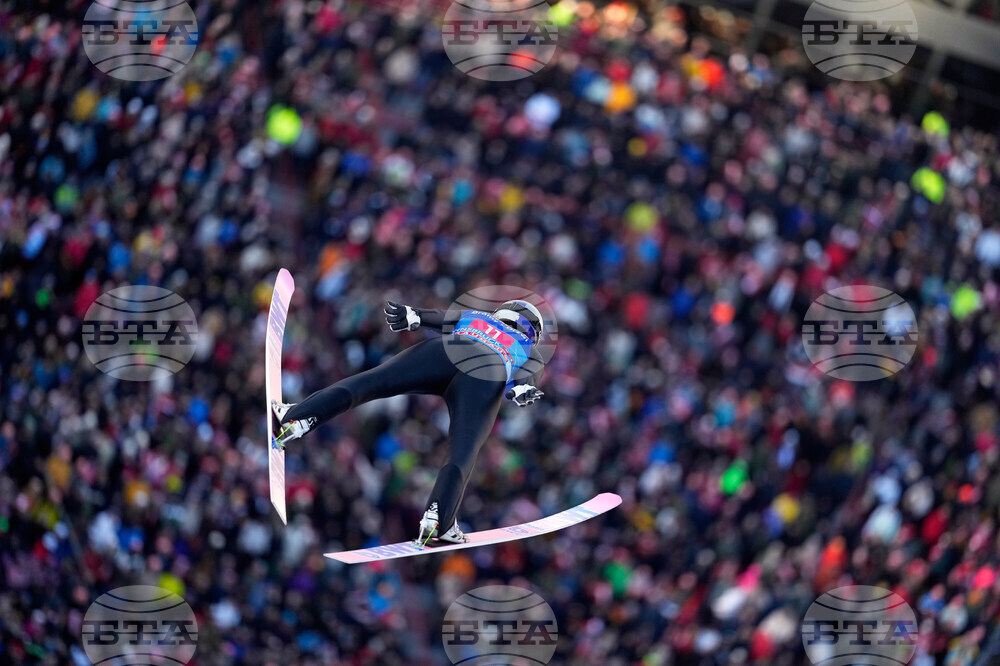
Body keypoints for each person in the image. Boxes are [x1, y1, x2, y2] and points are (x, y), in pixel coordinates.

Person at [272, 299, 547, 545]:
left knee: (367, 383)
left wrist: (413, 314)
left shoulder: (478, 316)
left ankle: (298, 417)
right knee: (462, 451)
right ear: (532, 329)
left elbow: (439, 316)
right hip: (486, 374)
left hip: (443, 351)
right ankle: (438, 519)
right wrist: (522, 387)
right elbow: (530, 372)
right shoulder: (527, 346)